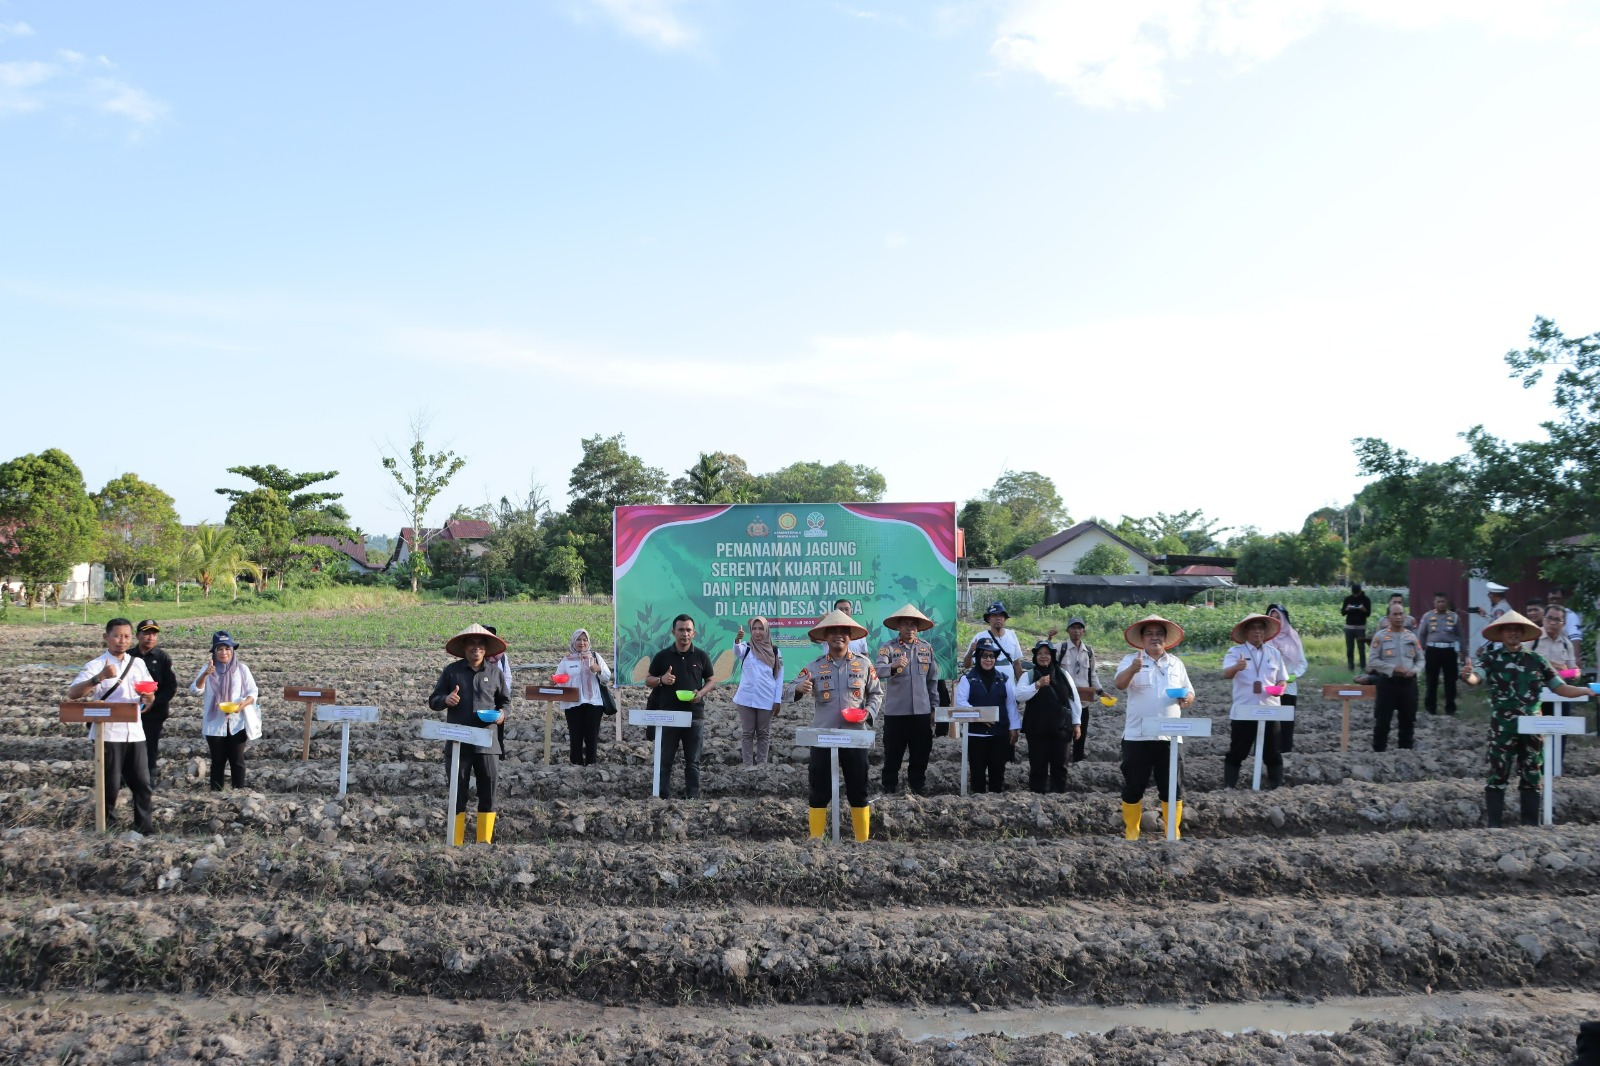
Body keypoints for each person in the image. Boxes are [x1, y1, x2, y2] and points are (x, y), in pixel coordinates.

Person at [1461, 611, 1588, 827]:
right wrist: (1468, 675)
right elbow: (1476, 677)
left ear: (1523, 634)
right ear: (1501, 633)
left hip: (1532, 727)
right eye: (1508, 629)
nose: (1513, 633)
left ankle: (1530, 826)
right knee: (1498, 774)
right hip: (1502, 727)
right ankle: (1494, 826)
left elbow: (1561, 687)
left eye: (1517, 630)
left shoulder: (1537, 660)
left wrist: (1586, 691)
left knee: (1531, 774)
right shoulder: (1491, 658)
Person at [791, 608, 883, 841]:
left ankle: (862, 841)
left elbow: (876, 694)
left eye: (843, 631)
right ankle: (815, 840)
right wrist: (799, 689)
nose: (838, 635)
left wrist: (868, 713)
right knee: (818, 790)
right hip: (823, 736)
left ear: (850, 636)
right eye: (832, 631)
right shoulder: (814, 666)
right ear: (825, 637)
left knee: (858, 789)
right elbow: (787, 690)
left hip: (855, 736)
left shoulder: (864, 665)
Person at [66, 617, 155, 834]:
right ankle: (107, 827)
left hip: (134, 732)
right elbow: (73, 693)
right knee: (110, 786)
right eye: (116, 636)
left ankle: (144, 828)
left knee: (143, 784)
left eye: (126, 636)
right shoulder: (96, 665)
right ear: (106, 637)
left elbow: (149, 697)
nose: (121, 641)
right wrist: (100, 678)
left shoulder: (138, 664)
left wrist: (148, 698)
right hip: (107, 733)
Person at [428, 623, 511, 844]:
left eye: (480, 644)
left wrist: (502, 714)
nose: (476, 648)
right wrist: (446, 700)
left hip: (488, 744)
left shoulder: (495, 673)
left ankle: (484, 842)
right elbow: (433, 701)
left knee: (488, 793)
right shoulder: (451, 671)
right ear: (464, 647)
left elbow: (505, 702)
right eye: (472, 644)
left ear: (486, 648)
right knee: (457, 793)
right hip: (459, 743)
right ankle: (455, 842)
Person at [1114, 616, 1194, 841]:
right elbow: (1119, 685)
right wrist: (1133, 669)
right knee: (1133, 786)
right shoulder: (1131, 660)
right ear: (1141, 639)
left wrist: (1187, 698)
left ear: (1165, 638)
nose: (1154, 637)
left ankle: (1172, 834)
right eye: (1149, 633)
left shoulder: (1176, 663)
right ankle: (1131, 833)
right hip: (1137, 736)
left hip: (1170, 737)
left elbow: (1189, 692)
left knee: (1172, 788)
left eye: (1159, 633)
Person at [645, 614, 716, 799]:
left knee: (693, 760)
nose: (685, 634)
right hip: (669, 714)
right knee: (665, 759)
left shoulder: (701, 656)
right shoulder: (663, 656)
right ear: (673, 632)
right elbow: (648, 680)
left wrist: (700, 693)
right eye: (681, 630)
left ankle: (692, 796)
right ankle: (662, 795)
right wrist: (661, 679)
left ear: (694, 633)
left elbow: (711, 680)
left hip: (695, 715)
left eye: (688, 630)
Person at [873, 604, 939, 795]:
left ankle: (917, 786)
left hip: (922, 712)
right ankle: (889, 787)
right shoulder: (888, 648)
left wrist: (934, 707)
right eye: (905, 624)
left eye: (913, 625)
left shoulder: (926, 649)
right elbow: (877, 671)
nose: (909, 628)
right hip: (896, 712)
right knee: (893, 753)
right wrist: (893, 666)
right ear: (898, 627)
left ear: (917, 628)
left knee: (921, 752)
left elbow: (932, 680)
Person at [1222, 614, 1291, 790]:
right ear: (1245, 631)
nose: (1257, 631)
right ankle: (1229, 787)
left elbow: (1282, 679)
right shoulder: (1235, 652)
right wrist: (1237, 667)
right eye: (1253, 628)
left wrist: (1280, 688)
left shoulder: (1274, 654)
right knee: (1237, 751)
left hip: (1270, 709)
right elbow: (1226, 674)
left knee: (1273, 752)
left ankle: (1276, 787)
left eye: (1261, 628)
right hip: (1244, 710)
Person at [189, 631, 262, 792]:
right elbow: (195, 690)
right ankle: (216, 793)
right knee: (218, 760)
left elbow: (253, 692)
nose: (224, 653)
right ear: (214, 652)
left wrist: (244, 704)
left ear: (232, 650)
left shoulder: (242, 669)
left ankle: (239, 792)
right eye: (219, 649)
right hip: (215, 724)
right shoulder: (207, 669)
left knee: (237, 760)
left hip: (237, 723)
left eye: (227, 648)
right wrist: (206, 674)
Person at [955, 638, 1021, 793]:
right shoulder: (967, 679)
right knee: (977, 773)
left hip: (999, 734)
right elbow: (961, 703)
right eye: (984, 656)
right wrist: (982, 716)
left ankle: (996, 802)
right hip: (975, 734)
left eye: (991, 656)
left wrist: (1014, 728)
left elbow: (1011, 704)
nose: (988, 659)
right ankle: (978, 803)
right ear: (978, 657)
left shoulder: (1003, 679)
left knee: (997, 772)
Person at [1015, 640, 1080, 793]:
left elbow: (1074, 699)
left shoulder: (1063, 675)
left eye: (1047, 653)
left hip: (1061, 728)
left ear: (1052, 656)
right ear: (1035, 656)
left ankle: (1058, 797)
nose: (1043, 656)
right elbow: (1019, 695)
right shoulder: (1029, 675)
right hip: (1037, 729)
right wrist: (1036, 685)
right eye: (1040, 653)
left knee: (1060, 766)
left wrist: (1077, 723)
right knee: (1038, 766)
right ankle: (1037, 796)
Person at [1367, 602, 1423, 751]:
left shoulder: (1411, 636)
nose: (1399, 617)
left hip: (1408, 684)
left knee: (1408, 721)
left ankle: (1405, 753)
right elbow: (1373, 661)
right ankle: (1379, 753)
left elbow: (1421, 659)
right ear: (1388, 618)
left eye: (1401, 614)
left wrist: (1415, 670)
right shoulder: (1380, 637)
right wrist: (1393, 668)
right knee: (1383, 721)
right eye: (1395, 614)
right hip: (1388, 684)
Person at [1048, 616, 1104, 763]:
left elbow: (1092, 674)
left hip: (1083, 699)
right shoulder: (1061, 648)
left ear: (1083, 631)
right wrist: (1049, 637)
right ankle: (1061, 759)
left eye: (1079, 628)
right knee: (1063, 731)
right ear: (1068, 630)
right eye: (1073, 628)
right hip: (1064, 699)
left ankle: (1078, 761)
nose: (1077, 631)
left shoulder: (1089, 652)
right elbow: (1044, 655)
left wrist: (1101, 691)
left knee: (1081, 732)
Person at [129, 619, 178, 781]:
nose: (150, 637)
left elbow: (171, 686)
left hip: (154, 712)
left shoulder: (162, 657)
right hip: (129, 710)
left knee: (150, 746)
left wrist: (154, 702)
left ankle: (149, 779)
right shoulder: (128, 656)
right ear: (137, 635)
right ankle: (127, 779)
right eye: (146, 633)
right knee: (128, 745)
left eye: (154, 634)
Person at [554, 628, 611, 766]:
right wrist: (556, 682)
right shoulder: (566, 661)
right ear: (574, 642)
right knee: (575, 737)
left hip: (593, 703)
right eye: (579, 640)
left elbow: (607, 677)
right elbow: (558, 680)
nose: (582, 643)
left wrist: (599, 670)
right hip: (573, 705)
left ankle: (591, 765)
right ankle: (576, 766)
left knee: (592, 738)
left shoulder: (595, 657)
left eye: (585, 640)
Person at [731, 616, 784, 766]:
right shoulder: (746, 647)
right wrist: (737, 640)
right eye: (754, 629)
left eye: (761, 628)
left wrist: (777, 700)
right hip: (745, 699)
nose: (757, 632)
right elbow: (737, 651)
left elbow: (779, 677)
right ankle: (747, 765)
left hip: (766, 699)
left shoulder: (775, 651)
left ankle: (762, 766)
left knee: (763, 734)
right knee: (747, 733)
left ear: (766, 630)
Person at [1265, 603, 1307, 770]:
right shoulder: (1265, 639)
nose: (1275, 621)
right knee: (1270, 725)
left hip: (1288, 688)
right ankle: (1268, 758)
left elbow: (1303, 663)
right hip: (1268, 689)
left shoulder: (1293, 637)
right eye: (1272, 618)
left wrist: (1292, 676)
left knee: (1286, 725)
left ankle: (1286, 759)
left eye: (1278, 618)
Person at [1416, 592, 1466, 716]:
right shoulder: (1427, 616)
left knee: (1450, 681)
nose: (1441, 604)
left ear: (1446, 602)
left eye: (1443, 601)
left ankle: (1450, 708)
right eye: (1438, 601)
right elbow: (1421, 634)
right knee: (1431, 680)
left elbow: (1460, 635)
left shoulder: (1454, 617)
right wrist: (1419, 651)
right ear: (1434, 603)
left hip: (1449, 651)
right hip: (1433, 651)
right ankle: (1430, 708)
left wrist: (1463, 651)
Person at [963, 602, 1024, 678]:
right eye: (994, 615)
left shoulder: (1011, 635)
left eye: (1001, 615)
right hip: (987, 687)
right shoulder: (979, 637)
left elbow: (1017, 663)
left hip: (1009, 687)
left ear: (1005, 619)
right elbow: (966, 665)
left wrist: (1020, 685)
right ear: (989, 619)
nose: (998, 618)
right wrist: (971, 651)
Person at [1341, 583, 1373, 671]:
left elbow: (1368, 614)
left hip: (1360, 627)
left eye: (1356, 594)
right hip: (1349, 627)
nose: (1355, 596)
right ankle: (1350, 667)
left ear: (1360, 592)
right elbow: (1342, 613)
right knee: (1350, 648)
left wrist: (1364, 610)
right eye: (1353, 594)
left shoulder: (1366, 600)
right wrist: (1347, 609)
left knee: (1361, 648)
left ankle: (1363, 667)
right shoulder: (1348, 599)